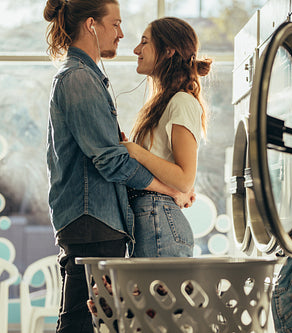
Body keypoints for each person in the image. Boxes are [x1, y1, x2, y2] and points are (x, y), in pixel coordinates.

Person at [43, 1, 192, 332]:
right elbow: (111, 161)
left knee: (86, 322)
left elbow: (110, 154)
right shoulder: (79, 79)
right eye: (116, 24)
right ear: (91, 25)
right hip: (92, 221)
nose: (122, 34)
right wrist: (171, 188)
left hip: (93, 220)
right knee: (79, 323)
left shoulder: (86, 77)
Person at [121, 17, 212, 257]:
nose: (136, 50)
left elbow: (184, 179)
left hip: (159, 221)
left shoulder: (181, 101)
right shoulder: (163, 103)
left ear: (169, 50)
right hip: (152, 219)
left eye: (144, 42)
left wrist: (135, 151)